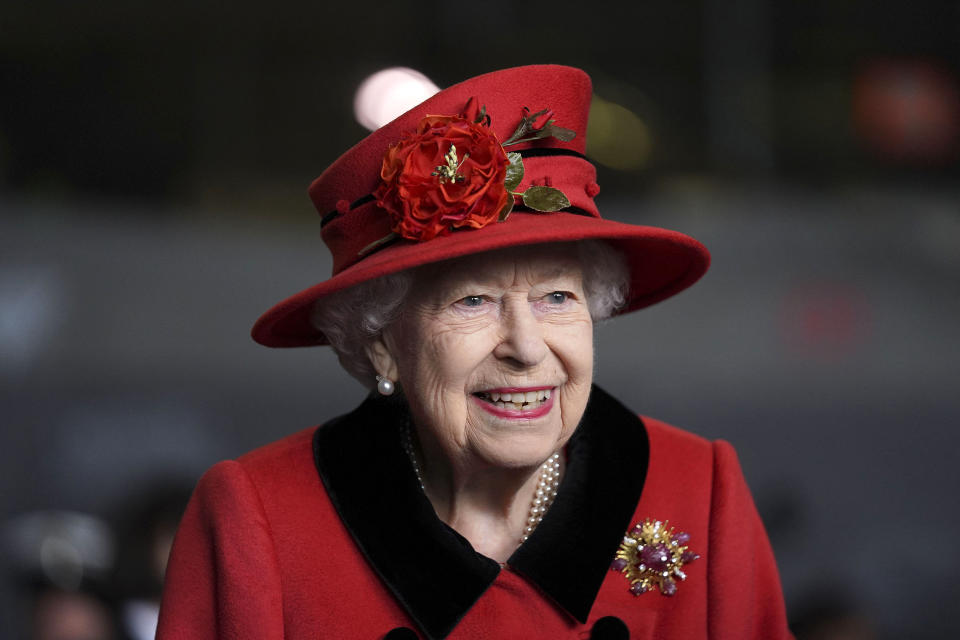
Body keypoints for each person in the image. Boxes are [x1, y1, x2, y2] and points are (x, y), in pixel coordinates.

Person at [157, 65, 791, 639]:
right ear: (382, 345)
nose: (525, 347)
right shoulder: (260, 520)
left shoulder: (698, 490)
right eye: (472, 302)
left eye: (557, 297)